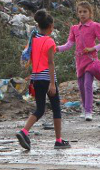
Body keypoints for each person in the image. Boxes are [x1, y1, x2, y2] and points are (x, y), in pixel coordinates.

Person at [16, 9, 71, 150]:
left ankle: (24, 131)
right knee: (56, 108)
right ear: (51, 27)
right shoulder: (49, 41)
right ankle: (58, 140)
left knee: (39, 109)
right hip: (47, 78)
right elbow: (50, 63)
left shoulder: (33, 40)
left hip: (36, 79)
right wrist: (52, 83)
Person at [56, 2, 100, 121]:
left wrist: (92, 49)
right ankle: (84, 107)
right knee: (81, 86)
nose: (82, 14)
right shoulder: (74, 28)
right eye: (80, 12)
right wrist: (56, 48)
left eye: (85, 11)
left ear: (90, 13)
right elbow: (69, 44)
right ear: (77, 13)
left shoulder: (95, 26)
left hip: (91, 60)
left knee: (87, 84)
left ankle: (89, 111)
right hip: (79, 61)